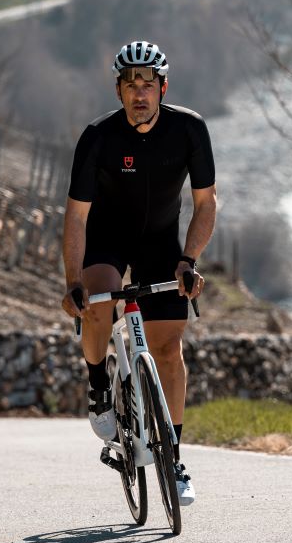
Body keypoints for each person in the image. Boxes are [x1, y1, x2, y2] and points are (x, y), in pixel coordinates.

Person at [61, 41, 216, 506]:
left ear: (163, 88)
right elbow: (76, 216)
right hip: (108, 241)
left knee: (168, 349)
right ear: (119, 90)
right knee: (99, 305)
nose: (139, 93)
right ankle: (97, 386)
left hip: (161, 244)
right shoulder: (98, 137)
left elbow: (207, 202)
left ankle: (174, 456)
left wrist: (189, 260)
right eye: (131, 84)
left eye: (148, 84)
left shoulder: (189, 129)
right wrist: (73, 281)